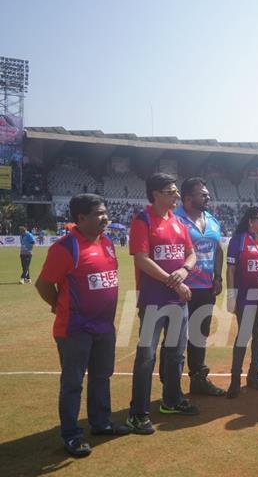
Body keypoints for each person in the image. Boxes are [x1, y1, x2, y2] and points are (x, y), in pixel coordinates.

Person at [35, 194, 130, 457]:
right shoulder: (65, 248)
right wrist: (58, 305)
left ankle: (100, 423)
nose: (105, 218)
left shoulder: (108, 243)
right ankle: (71, 435)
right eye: (99, 213)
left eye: (105, 212)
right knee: (73, 382)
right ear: (81, 218)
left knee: (101, 377)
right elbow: (43, 284)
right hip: (75, 329)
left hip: (104, 326)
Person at [126, 173, 199, 435]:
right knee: (146, 356)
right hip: (153, 301)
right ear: (156, 194)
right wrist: (174, 280)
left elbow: (191, 253)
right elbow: (141, 259)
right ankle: (137, 413)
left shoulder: (178, 222)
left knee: (176, 354)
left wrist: (185, 270)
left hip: (178, 302)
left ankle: (171, 400)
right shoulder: (142, 220)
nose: (177, 195)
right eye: (171, 191)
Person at [162, 177, 225, 396]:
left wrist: (218, 277)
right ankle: (171, 388)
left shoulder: (213, 220)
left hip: (206, 289)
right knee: (174, 340)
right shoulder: (174, 220)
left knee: (199, 336)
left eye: (207, 193)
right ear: (188, 198)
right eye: (203, 194)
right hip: (180, 289)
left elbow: (218, 249)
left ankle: (198, 380)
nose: (208, 196)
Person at [226, 206, 258, 397]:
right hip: (246, 297)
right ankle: (234, 380)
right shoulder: (238, 241)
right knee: (244, 335)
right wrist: (231, 295)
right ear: (251, 221)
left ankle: (254, 375)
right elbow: (231, 270)